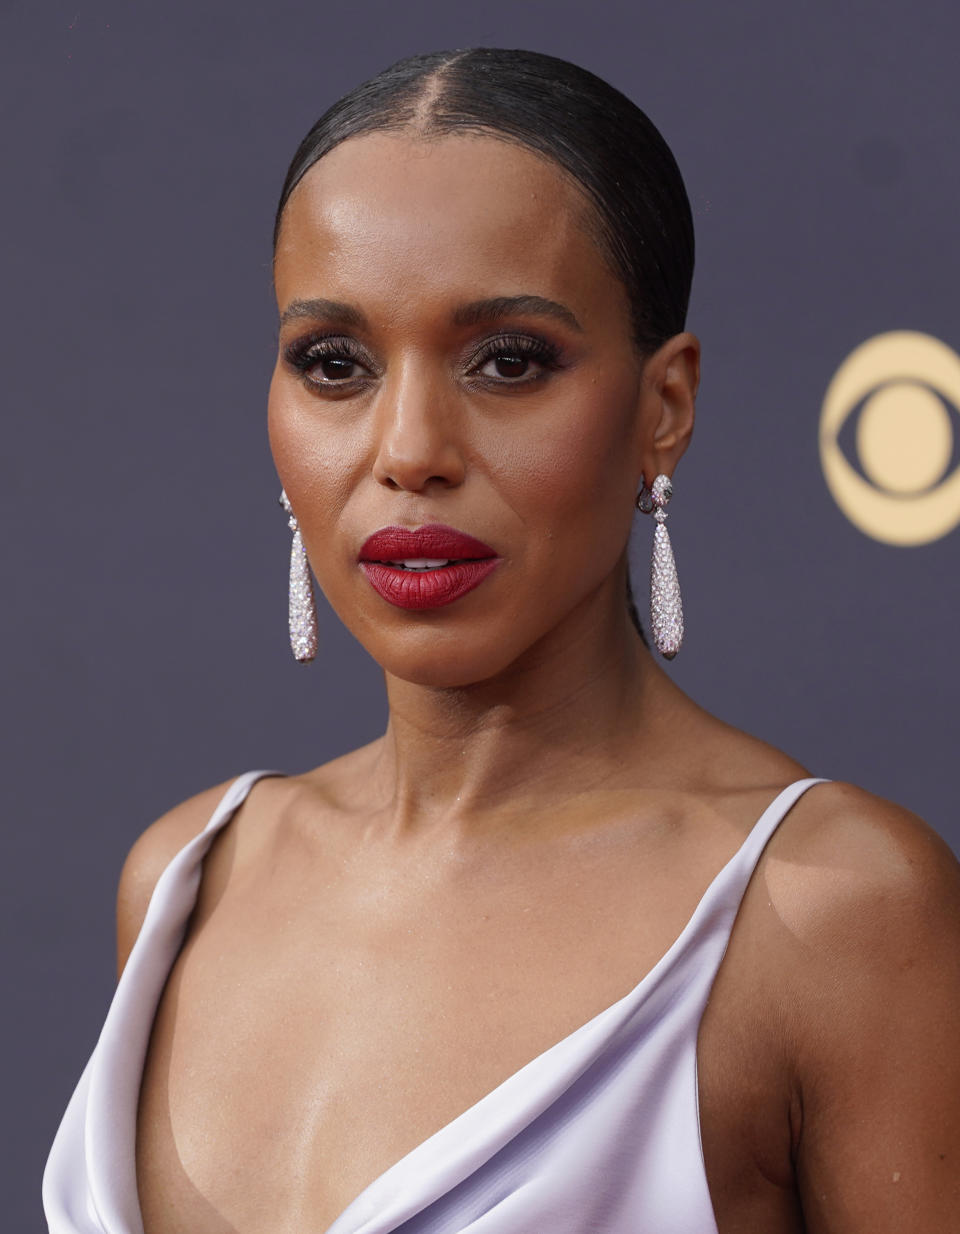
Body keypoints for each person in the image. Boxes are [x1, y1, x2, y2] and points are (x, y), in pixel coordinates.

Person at [43, 47, 960, 1234]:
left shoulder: (830, 907)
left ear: (663, 407)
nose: (409, 446)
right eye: (335, 363)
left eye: (509, 360)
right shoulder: (187, 879)